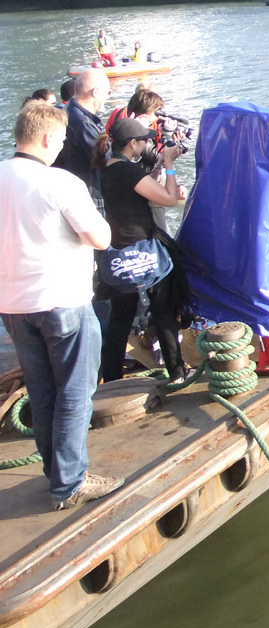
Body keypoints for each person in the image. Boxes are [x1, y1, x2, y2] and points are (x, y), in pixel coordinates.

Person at [0, 101, 121, 511]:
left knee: (42, 391)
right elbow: (100, 238)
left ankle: (57, 474)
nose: (62, 147)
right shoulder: (60, 182)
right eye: (62, 140)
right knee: (74, 391)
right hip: (63, 301)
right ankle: (70, 483)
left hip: (14, 306)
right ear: (48, 138)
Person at [93, 118, 189, 384]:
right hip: (145, 252)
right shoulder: (128, 171)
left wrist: (157, 167)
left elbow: (137, 192)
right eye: (145, 140)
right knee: (164, 312)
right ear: (132, 144)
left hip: (118, 255)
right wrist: (169, 164)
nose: (148, 143)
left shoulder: (104, 168)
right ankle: (177, 373)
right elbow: (168, 199)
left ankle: (112, 378)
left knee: (120, 319)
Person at [54, 68, 110, 199]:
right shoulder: (83, 124)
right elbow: (107, 159)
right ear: (95, 92)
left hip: (69, 188)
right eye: (108, 92)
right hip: (86, 192)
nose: (108, 96)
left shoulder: (68, 110)